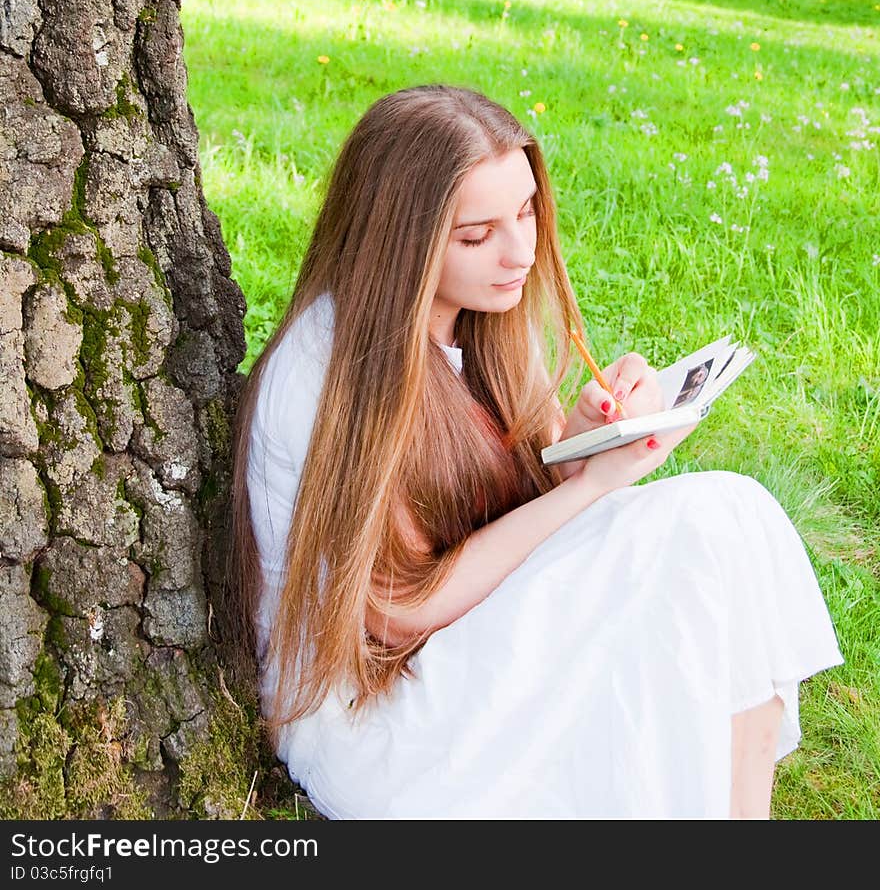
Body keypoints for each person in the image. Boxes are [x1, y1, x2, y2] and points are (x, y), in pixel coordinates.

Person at [231, 84, 843, 820]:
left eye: (525, 211)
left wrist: (581, 445)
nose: (520, 251)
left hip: (459, 639)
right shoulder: (331, 373)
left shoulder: (472, 316)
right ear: (401, 239)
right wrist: (588, 489)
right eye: (476, 233)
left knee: (724, 526)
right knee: (706, 524)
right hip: (378, 719)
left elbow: (507, 499)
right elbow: (397, 612)